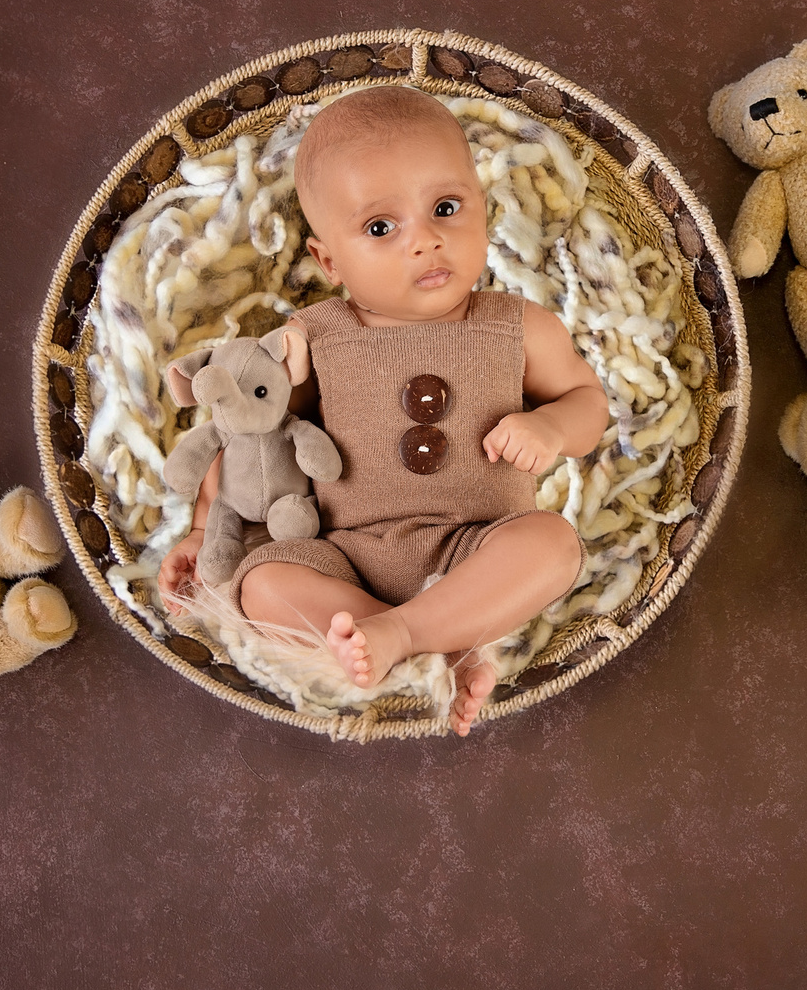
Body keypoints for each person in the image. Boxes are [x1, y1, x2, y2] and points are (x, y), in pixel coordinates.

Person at [162, 86, 606, 734]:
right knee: (263, 586)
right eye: (381, 227)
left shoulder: (519, 328)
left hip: (476, 544)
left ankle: (402, 633)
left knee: (553, 545)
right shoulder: (313, 336)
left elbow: (588, 403)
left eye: (446, 208)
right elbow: (247, 431)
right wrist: (205, 528)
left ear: (482, 208)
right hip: (341, 554)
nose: (424, 241)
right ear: (329, 260)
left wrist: (550, 425)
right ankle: (436, 643)